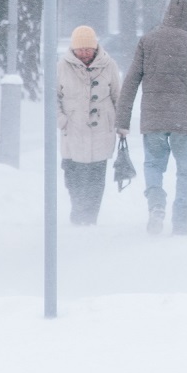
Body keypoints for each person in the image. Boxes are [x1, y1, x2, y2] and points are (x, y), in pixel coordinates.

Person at [116, 0, 187, 236]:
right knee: (186, 170)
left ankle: (156, 203)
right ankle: (181, 220)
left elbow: (131, 81)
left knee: (153, 164)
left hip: (153, 118)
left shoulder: (147, 41)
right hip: (184, 120)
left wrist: (122, 120)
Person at [57, 25, 122, 225]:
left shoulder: (109, 65)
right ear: (73, 49)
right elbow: (53, 98)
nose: (84, 53)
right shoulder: (61, 66)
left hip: (102, 130)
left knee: (96, 178)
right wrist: (62, 120)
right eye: (80, 49)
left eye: (88, 49)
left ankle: (90, 217)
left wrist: (121, 125)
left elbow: (118, 97)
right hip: (73, 131)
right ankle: (78, 214)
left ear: (95, 48)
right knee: (73, 177)